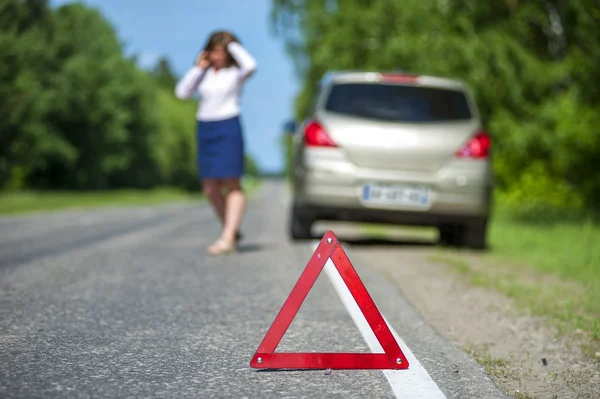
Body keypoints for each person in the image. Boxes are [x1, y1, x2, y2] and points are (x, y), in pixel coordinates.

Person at [174, 30, 257, 256]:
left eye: (223, 52)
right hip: (206, 127)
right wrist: (198, 67)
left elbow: (251, 65)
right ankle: (231, 229)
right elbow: (181, 93)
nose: (219, 56)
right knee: (210, 187)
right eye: (215, 51)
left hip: (228, 125)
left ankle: (228, 237)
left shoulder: (235, 73)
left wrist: (231, 45)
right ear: (208, 52)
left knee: (232, 182)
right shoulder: (204, 74)